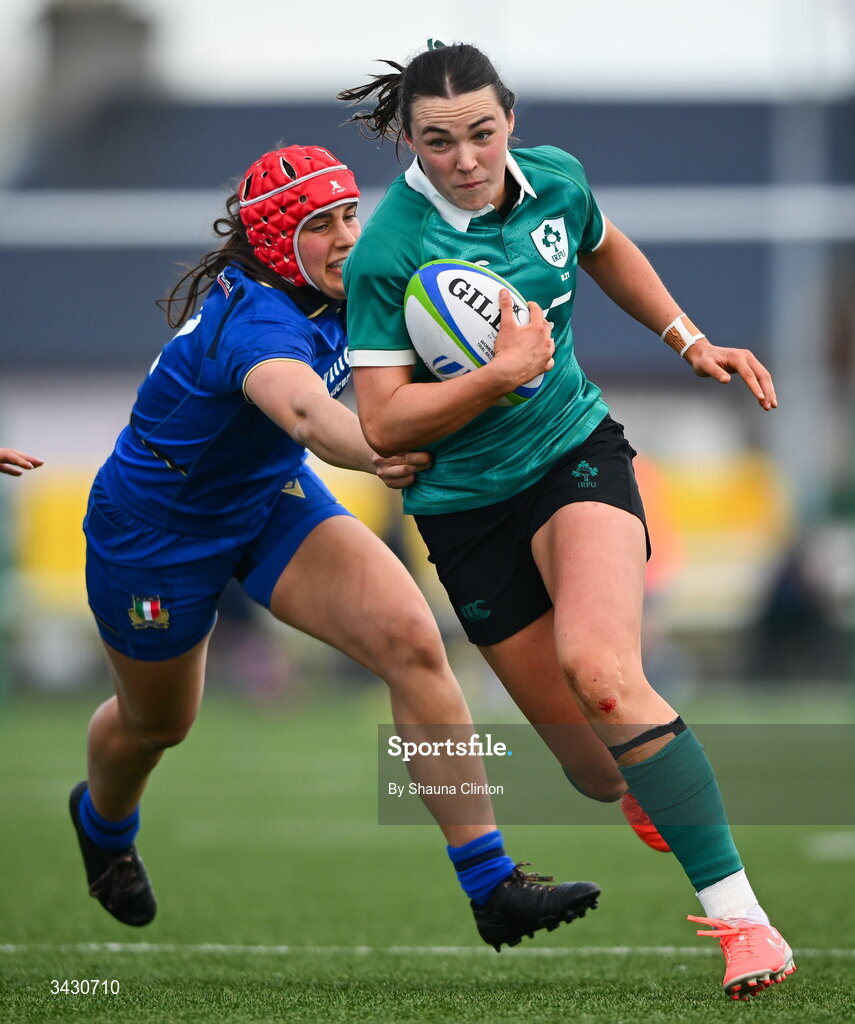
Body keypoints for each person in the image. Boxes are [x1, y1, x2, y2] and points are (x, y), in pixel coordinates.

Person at [338, 43, 794, 1001]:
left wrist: (688, 338)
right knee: (593, 770)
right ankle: (645, 778)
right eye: (437, 141)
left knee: (605, 672)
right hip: (464, 510)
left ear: (511, 120)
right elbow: (380, 420)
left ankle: (745, 924)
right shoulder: (390, 250)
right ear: (406, 142)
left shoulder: (555, 181)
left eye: (482, 133)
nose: (464, 157)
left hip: (575, 454)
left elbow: (603, 246)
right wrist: (496, 374)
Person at [69, 143, 600, 951]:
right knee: (157, 726)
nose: (348, 236)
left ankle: (491, 884)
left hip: (266, 500)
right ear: (278, 242)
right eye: (322, 225)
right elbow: (314, 419)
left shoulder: (364, 275)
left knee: (412, 641)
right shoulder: (254, 321)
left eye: (351, 213)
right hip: (155, 533)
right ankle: (101, 825)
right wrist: (389, 445)